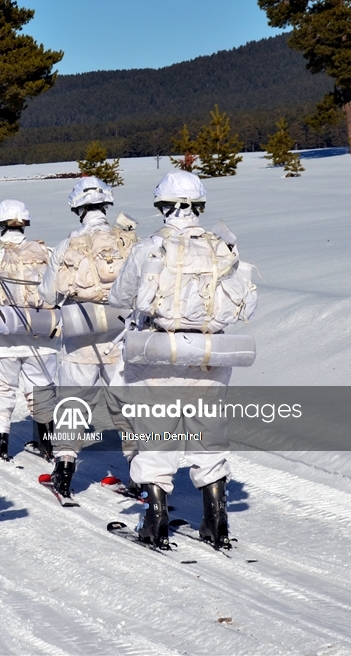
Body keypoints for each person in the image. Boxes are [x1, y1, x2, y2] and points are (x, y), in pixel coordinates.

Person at [109, 171, 256, 550]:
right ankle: (216, 520)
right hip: (209, 353)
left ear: (162, 205)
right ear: (199, 205)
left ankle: (155, 520)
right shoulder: (221, 248)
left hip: (158, 351)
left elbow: (119, 297)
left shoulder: (148, 248)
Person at [39, 177, 138, 498]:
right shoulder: (127, 242)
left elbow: (47, 293)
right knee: (127, 405)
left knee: (73, 403)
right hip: (121, 333)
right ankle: (142, 475)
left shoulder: (67, 245)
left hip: (79, 333)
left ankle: (65, 471)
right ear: (106, 205)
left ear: (77, 208)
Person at [0, 199, 58, 460]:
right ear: (25, 222)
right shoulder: (46, 252)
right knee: (41, 389)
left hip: (3, 336)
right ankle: (47, 444)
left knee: (0, 389)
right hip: (42, 333)